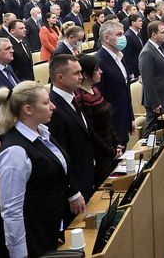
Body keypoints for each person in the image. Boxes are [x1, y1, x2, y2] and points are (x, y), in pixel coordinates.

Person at [0, 81, 85, 258]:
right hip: (23, 239)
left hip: (43, 226)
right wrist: (19, 254)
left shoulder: (42, 132)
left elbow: (58, 167)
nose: (53, 106)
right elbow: (11, 211)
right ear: (28, 109)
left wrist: (72, 193)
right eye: (45, 103)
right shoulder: (15, 152)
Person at [47, 54, 100, 221]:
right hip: (74, 184)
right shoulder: (52, 108)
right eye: (77, 73)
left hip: (87, 173)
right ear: (60, 78)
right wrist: (72, 191)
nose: (82, 77)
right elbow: (59, 154)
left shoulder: (72, 97)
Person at [75, 54, 120, 186]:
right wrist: (110, 151)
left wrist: (116, 142)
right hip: (100, 154)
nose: (101, 72)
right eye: (97, 70)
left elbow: (107, 120)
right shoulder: (82, 98)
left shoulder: (94, 89)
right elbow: (91, 131)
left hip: (109, 148)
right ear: (87, 75)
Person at [95, 20, 135, 147]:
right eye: (119, 34)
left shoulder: (120, 57)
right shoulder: (99, 60)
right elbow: (99, 98)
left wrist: (131, 118)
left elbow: (125, 91)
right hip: (111, 125)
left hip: (124, 119)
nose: (123, 37)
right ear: (107, 38)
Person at [139, 21, 164, 133]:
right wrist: (155, 102)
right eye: (162, 32)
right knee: (151, 131)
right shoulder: (147, 52)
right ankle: (143, 150)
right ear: (154, 35)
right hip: (156, 100)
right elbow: (147, 81)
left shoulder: (159, 47)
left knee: (161, 131)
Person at [123, 14, 144, 78]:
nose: (142, 23)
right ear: (133, 23)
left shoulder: (138, 33)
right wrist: (131, 72)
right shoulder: (128, 36)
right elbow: (127, 56)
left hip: (140, 66)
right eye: (139, 21)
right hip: (135, 70)